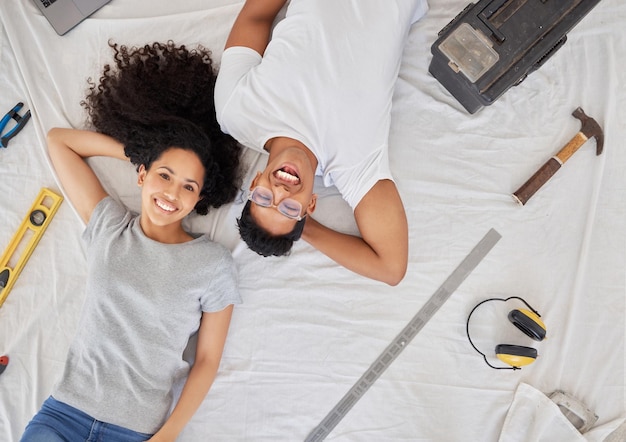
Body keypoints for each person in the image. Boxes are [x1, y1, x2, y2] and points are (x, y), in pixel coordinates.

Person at [21, 42, 242, 441]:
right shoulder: (110, 227)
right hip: (63, 416)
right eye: (164, 175)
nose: (173, 193)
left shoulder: (213, 264)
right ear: (141, 176)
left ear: (199, 198)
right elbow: (58, 142)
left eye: (189, 186)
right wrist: (139, 154)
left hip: (135, 432)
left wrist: (167, 435)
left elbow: (207, 361)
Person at [214, 0, 429, 286]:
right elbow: (391, 268)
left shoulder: (236, 112)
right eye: (289, 208)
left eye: (265, 199)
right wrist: (302, 227)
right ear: (311, 204)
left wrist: (293, 217)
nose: (280, 192)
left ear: (254, 184)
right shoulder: (354, 167)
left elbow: (256, 17)